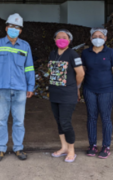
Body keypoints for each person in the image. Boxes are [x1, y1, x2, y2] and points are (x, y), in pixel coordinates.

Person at [0, 13, 35, 162]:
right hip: (1, 88)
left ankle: (18, 148)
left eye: (17, 27)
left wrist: (31, 86)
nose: (14, 29)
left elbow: (29, 68)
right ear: (6, 28)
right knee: (1, 120)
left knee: (19, 120)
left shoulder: (25, 46)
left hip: (20, 88)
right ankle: (0, 148)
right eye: (11, 26)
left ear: (21, 30)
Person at [81, 28, 113, 159]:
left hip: (107, 90)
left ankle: (106, 146)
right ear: (90, 38)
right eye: (95, 36)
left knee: (105, 118)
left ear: (105, 38)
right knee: (91, 117)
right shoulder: (85, 53)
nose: (98, 38)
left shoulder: (110, 53)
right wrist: (77, 88)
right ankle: (92, 145)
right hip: (89, 89)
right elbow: (81, 72)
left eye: (100, 36)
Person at [48, 29, 85, 163]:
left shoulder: (73, 54)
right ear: (54, 39)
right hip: (54, 93)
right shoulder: (52, 54)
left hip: (68, 94)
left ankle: (71, 150)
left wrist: (76, 88)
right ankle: (63, 147)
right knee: (59, 122)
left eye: (65, 37)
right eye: (59, 37)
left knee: (65, 122)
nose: (61, 39)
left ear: (69, 41)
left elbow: (80, 74)